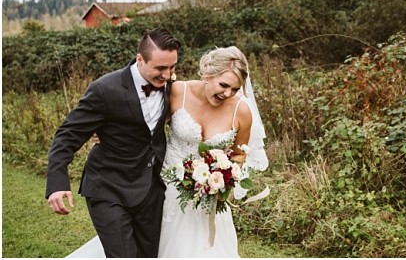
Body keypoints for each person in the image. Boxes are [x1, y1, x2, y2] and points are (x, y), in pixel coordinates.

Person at [67, 45, 269, 258]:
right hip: (163, 190)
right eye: (224, 85)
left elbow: (239, 154)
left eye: (235, 89)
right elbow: (144, 125)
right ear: (208, 74)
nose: (228, 93)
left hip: (209, 201)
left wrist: (223, 180)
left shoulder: (241, 111)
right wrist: (109, 131)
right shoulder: (178, 92)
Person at [46, 28, 181, 257]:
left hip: (150, 190)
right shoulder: (105, 89)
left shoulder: (173, 87)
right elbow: (68, 135)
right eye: (160, 68)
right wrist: (57, 182)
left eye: (172, 67)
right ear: (140, 59)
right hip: (108, 187)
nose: (167, 75)